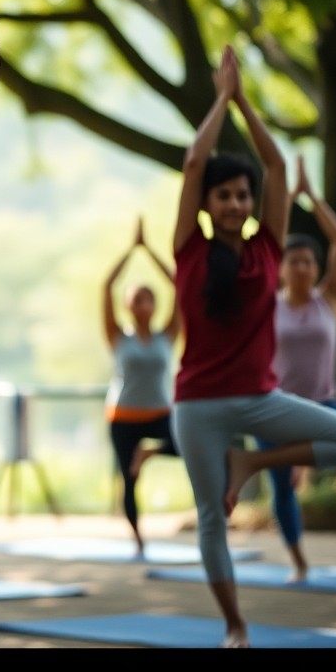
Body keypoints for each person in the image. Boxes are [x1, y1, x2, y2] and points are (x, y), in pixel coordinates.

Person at [169, 44, 336, 648]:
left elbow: (276, 170)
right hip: (198, 404)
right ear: (207, 204)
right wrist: (219, 99)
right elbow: (194, 161)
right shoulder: (189, 250)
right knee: (211, 519)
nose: (234, 203)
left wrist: (246, 103)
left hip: (259, 399)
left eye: (241, 196)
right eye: (223, 195)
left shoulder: (267, 250)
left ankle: (251, 462)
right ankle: (235, 624)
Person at [263, 154, 336, 581]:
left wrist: (311, 196)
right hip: (276, 408)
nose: (300, 266)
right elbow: (264, 242)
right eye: (292, 260)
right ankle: (299, 563)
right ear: (280, 268)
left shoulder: (329, 301)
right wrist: (285, 200)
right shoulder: (267, 303)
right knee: (282, 488)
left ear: (316, 269)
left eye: (307, 261)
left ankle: (298, 458)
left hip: (322, 404)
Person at [101, 215, 181, 557]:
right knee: (129, 480)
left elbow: (180, 283)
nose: (142, 305)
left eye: (148, 299)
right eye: (136, 300)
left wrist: (149, 251)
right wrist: (130, 251)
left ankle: (148, 453)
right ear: (128, 306)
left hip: (160, 412)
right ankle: (138, 541)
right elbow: (107, 286)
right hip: (123, 415)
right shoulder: (118, 336)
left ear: (155, 304)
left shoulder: (168, 335)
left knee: (184, 447)